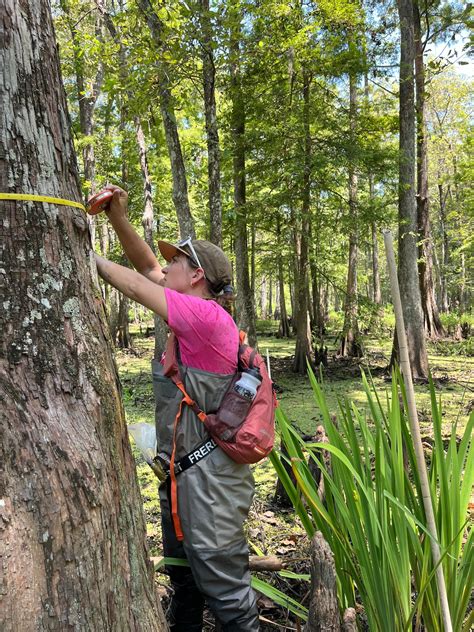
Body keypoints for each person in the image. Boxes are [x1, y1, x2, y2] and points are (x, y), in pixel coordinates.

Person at [94, 185, 259, 632]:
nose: (165, 268)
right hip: (180, 476)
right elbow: (147, 267)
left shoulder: (207, 318)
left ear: (197, 275)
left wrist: (85, 256)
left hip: (212, 485)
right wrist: (117, 217)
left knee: (227, 592)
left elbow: (135, 283)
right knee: (183, 581)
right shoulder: (191, 309)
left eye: (177, 263)